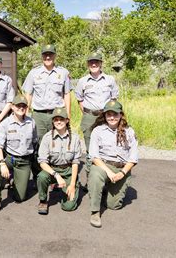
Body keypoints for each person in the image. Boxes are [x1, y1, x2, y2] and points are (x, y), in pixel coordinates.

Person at [22, 44, 72, 183]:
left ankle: (58, 175)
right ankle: (40, 176)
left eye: (50, 54)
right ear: (42, 56)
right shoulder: (34, 73)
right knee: (37, 145)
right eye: (45, 54)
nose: (48, 57)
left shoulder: (63, 73)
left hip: (58, 114)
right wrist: (25, 114)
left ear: (55, 55)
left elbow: (67, 94)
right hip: (39, 114)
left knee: (57, 143)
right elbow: (28, 94)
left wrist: (68, 114)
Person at [88, 100, 138, 228]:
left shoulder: (129, 132)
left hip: (122, 169)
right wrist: (109, 172)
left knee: (113, 205)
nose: (112, 117)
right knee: (95, 175)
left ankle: (106, 189)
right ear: (104, 116)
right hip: (104, 166)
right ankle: (95, 211)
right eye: (108, 114)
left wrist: (122, 173)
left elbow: (133, 158)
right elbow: (94, 156)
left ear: (121, 115)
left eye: (115, 114)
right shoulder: (98, 131)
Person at [0, 95, 37, 215]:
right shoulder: (5, 123)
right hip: (10, 158)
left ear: (26, 108)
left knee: (20, 198)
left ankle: (13, 180)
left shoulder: (31, 122)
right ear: (12, 107)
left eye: (23, 106)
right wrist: (2, 163)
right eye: (18, 106)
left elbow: (35, 142)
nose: (21, 108)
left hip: (24, 161)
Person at [74, 52, 119, 181]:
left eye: (96, 62)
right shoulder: (82, 81)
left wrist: (106, 115)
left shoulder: (110, 80)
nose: (94, 64)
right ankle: (90, 181)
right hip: (89, 117)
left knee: (106, 148)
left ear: (101, 63)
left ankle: (106, 178)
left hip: (106, 117)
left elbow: (114, 100)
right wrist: (89, 113)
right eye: (91, 62)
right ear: (88, 64)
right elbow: (80, 100)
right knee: (90, 150)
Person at [36, 107, 83, 215]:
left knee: (69, 207)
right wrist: (56, 175)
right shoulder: (47, 138)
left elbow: (75, 163)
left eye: (61, 119)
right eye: (56, 119)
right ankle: (43, 200)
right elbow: (42, 162)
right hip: (52, 170)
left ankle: (74, 185)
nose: (59, 122)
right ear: (53, 121)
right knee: (42, 177)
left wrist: (71, 184)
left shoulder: (75, 138)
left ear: (67, 120)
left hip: (68, 171)